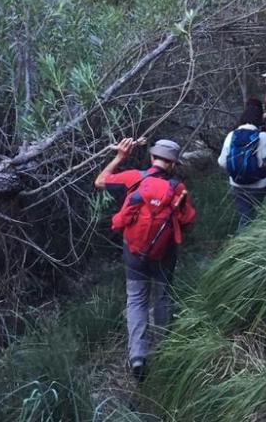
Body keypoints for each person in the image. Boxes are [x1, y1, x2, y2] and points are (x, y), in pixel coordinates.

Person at [94, 138, 196, 381]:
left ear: (152, 158)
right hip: (165, 252)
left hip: (134, 252)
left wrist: (120, 156)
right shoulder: (179, 189)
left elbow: (99, 181)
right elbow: (188, 222)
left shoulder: (133, 178)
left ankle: (138, 356)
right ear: (172, 164)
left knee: (137, 300)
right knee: (162, 295)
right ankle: (163, 348)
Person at [218, 99, 266, 229]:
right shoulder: (262, 137)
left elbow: (222, 162)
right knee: (263, 218)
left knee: (245, 218)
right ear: (259, 119)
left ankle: (242, 244)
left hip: (237, 185)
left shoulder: (231, 136)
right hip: (260, 186)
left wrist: (238, 170)